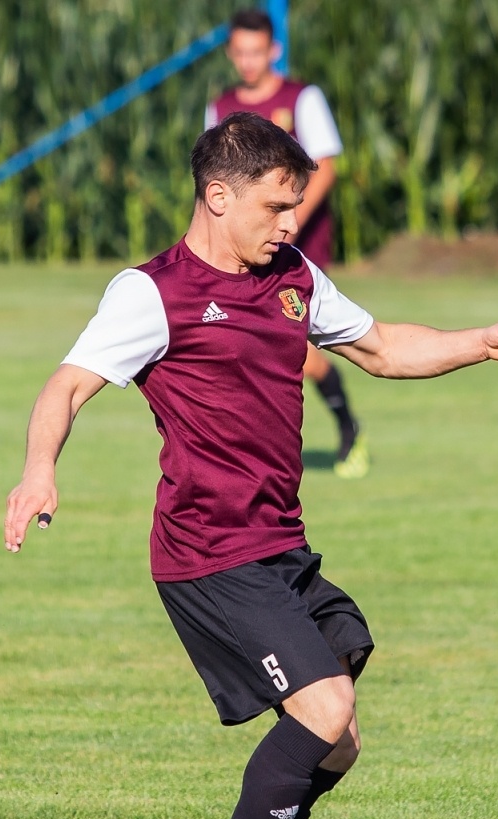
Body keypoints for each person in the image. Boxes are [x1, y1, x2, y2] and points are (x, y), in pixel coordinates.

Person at [2, 113, 498, 819]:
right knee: (323, 707)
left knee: (339, 737)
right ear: (218, 197)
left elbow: (380, 348)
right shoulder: (152, 293)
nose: (293, 222)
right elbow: (67, 386)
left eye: (296, 205)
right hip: (206, 552)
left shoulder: (292, 276)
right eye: (278, 205)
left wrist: (485, 341)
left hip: (279, 546)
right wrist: (38, 472)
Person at [207, 9, 369, 479]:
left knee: (296, 350)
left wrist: (288, 221)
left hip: (295, 250)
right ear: (231, 54)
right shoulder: (220, 110)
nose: (249, 61)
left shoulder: (302, 98)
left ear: (273, 51)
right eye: (240, 52)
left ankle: (347, 429)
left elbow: (326, 166)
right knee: (246, 347)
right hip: (239, 253)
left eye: (257, 52)